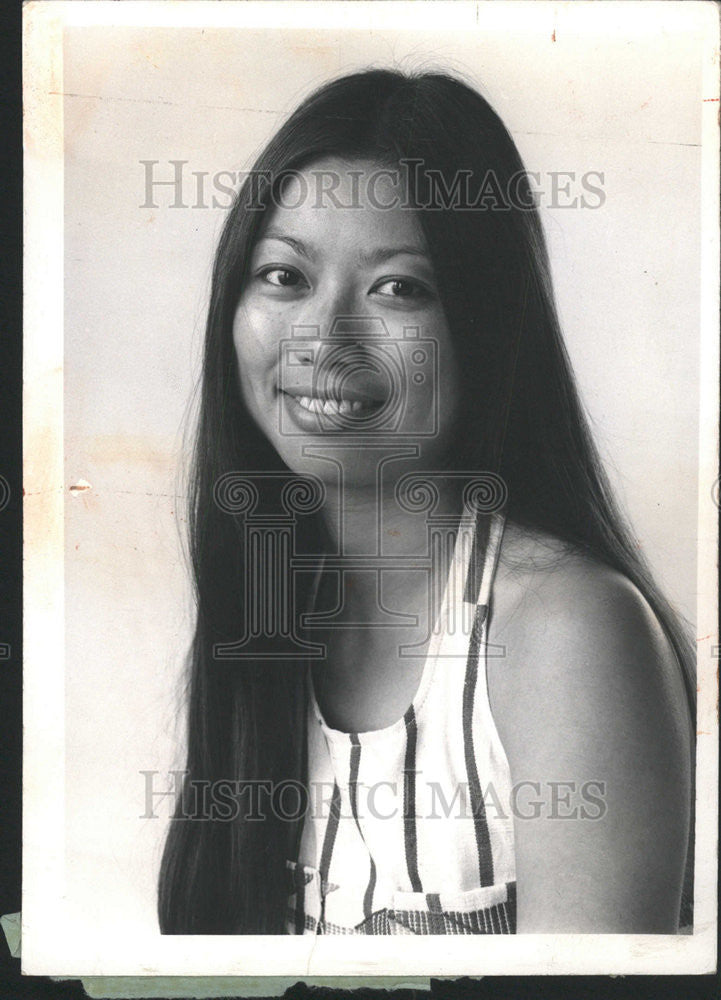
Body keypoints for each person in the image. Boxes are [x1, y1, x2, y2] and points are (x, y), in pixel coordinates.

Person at [158, 68, 695, 935]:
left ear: (484, 326)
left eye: (396, 287)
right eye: (285, 276)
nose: (322, 339)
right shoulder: (259, 603)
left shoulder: (566, 630)